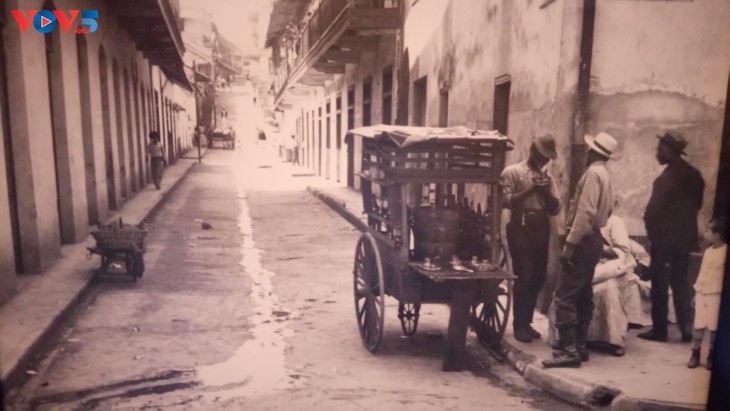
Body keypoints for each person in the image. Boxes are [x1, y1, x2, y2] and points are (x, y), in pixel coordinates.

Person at [543, 132, 616, 368]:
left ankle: (569, 351)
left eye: (589, 150)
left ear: (594, 152)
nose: (586, 153)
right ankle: (580, 346)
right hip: (595, 239)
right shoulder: (606, 174)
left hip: (584, 240)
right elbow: (608, 210)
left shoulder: (593, 174)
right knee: (583, 293)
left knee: (564, 296)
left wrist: (570, 247)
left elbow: (585, 214)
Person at [640, 132, 704, 343]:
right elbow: (697, 205)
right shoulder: (695, 175)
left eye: (660, 148)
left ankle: (660, 331)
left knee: (659, 283)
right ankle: (686, 328)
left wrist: (654, 237)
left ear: (670, 150)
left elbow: (651, 214)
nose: (657, 152)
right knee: (681, 283)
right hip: (685, 241)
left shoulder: (665, 179)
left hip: (664, 242)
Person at [500, 134, 561, 343]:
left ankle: (527, 322)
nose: (544, 162)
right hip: (520, 226)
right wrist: (531, 190)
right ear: (532, 151)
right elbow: (505, 200)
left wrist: (545, 193)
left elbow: (555, 209)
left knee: (538, 277)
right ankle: (518, 325)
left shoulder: (548, 179)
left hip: (541, 227)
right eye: (542, 156)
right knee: (524, 276)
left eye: (547, 159)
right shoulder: (513, 172)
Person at [687, 218, 726, 370]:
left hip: (716, 294)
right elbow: (702, 273)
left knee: (714, 325)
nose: (705, 233)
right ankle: (695, 352)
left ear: (716, 235)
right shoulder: (708, 252)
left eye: (708, 231)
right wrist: (696, 294)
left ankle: (712, 354)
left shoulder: (725, 252)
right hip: (702, 292)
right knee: (699, 323)